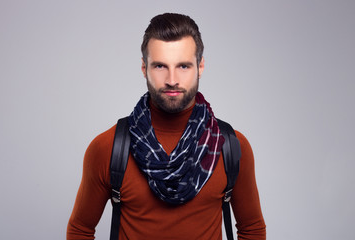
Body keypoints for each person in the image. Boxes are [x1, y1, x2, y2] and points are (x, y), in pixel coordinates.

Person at [67, 13, 266, 240]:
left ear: (200, 67)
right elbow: (80, 230)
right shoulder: (109, 148)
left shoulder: (230, 146)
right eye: (160, 66)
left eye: (183, 66)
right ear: (144, 68)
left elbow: (252, 229)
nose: (172, 79)